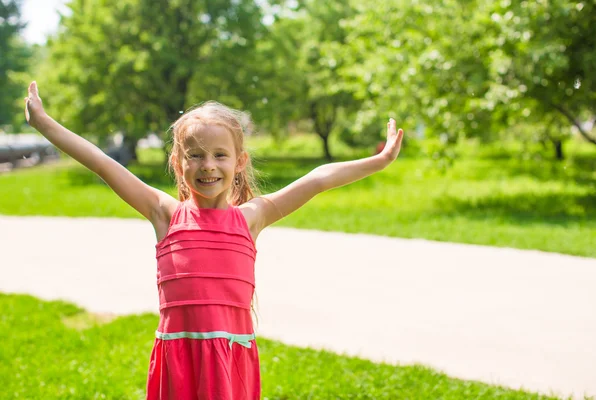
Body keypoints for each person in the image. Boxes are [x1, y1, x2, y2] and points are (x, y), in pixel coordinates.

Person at [24, 81, 404, 400]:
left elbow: (318, 179)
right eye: (196, 155)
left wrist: (379, 161)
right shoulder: (165, 214)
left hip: (230, 364)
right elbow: (103, 164)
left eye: (220, 155)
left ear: (239, 162)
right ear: (178, 162)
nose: (208, 165)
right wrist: (45, 124)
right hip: (179, 360)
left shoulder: (252, 217)